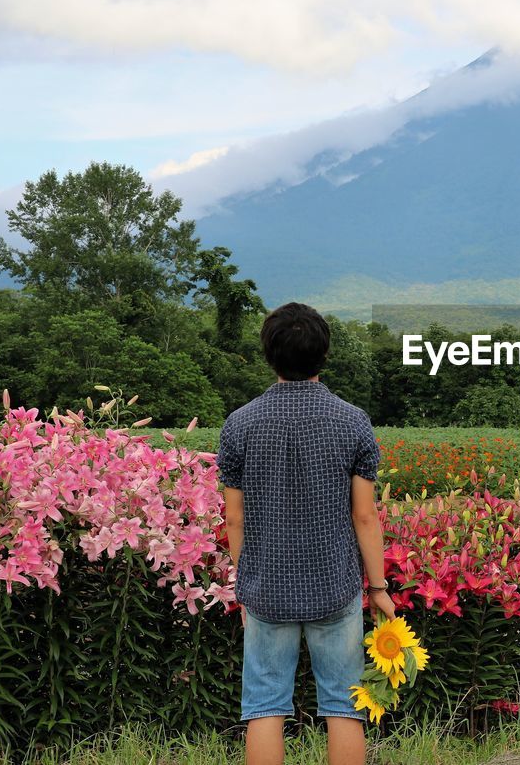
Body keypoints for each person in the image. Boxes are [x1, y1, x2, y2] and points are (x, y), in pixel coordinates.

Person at [217, 302, 394, 765]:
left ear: (269, 355)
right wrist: (377, 588)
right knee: (345, 703)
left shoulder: (240, 424)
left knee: (264, 705)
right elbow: (365, 517)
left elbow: (234, 519)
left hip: (267, 587)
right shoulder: (352, 421)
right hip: (335, 586)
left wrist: (245, 584)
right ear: (324, 354)